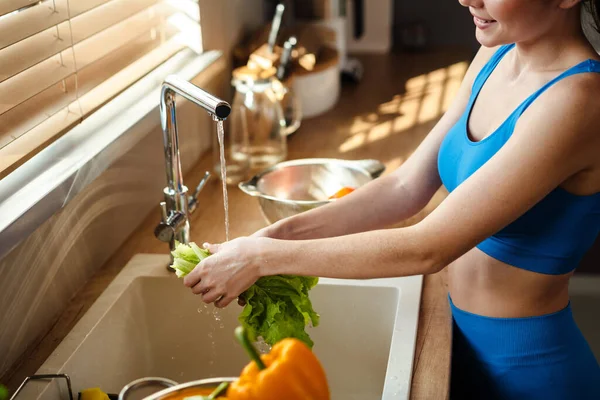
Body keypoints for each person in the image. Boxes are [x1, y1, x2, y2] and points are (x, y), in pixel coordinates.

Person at [184, 0, 600, 398]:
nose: (466, 0)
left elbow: (429, 247)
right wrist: (277, 235)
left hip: (528, 374)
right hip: (458, 344)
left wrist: (262, 258)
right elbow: (404, 189)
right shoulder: (497, 53)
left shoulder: (579, 99)